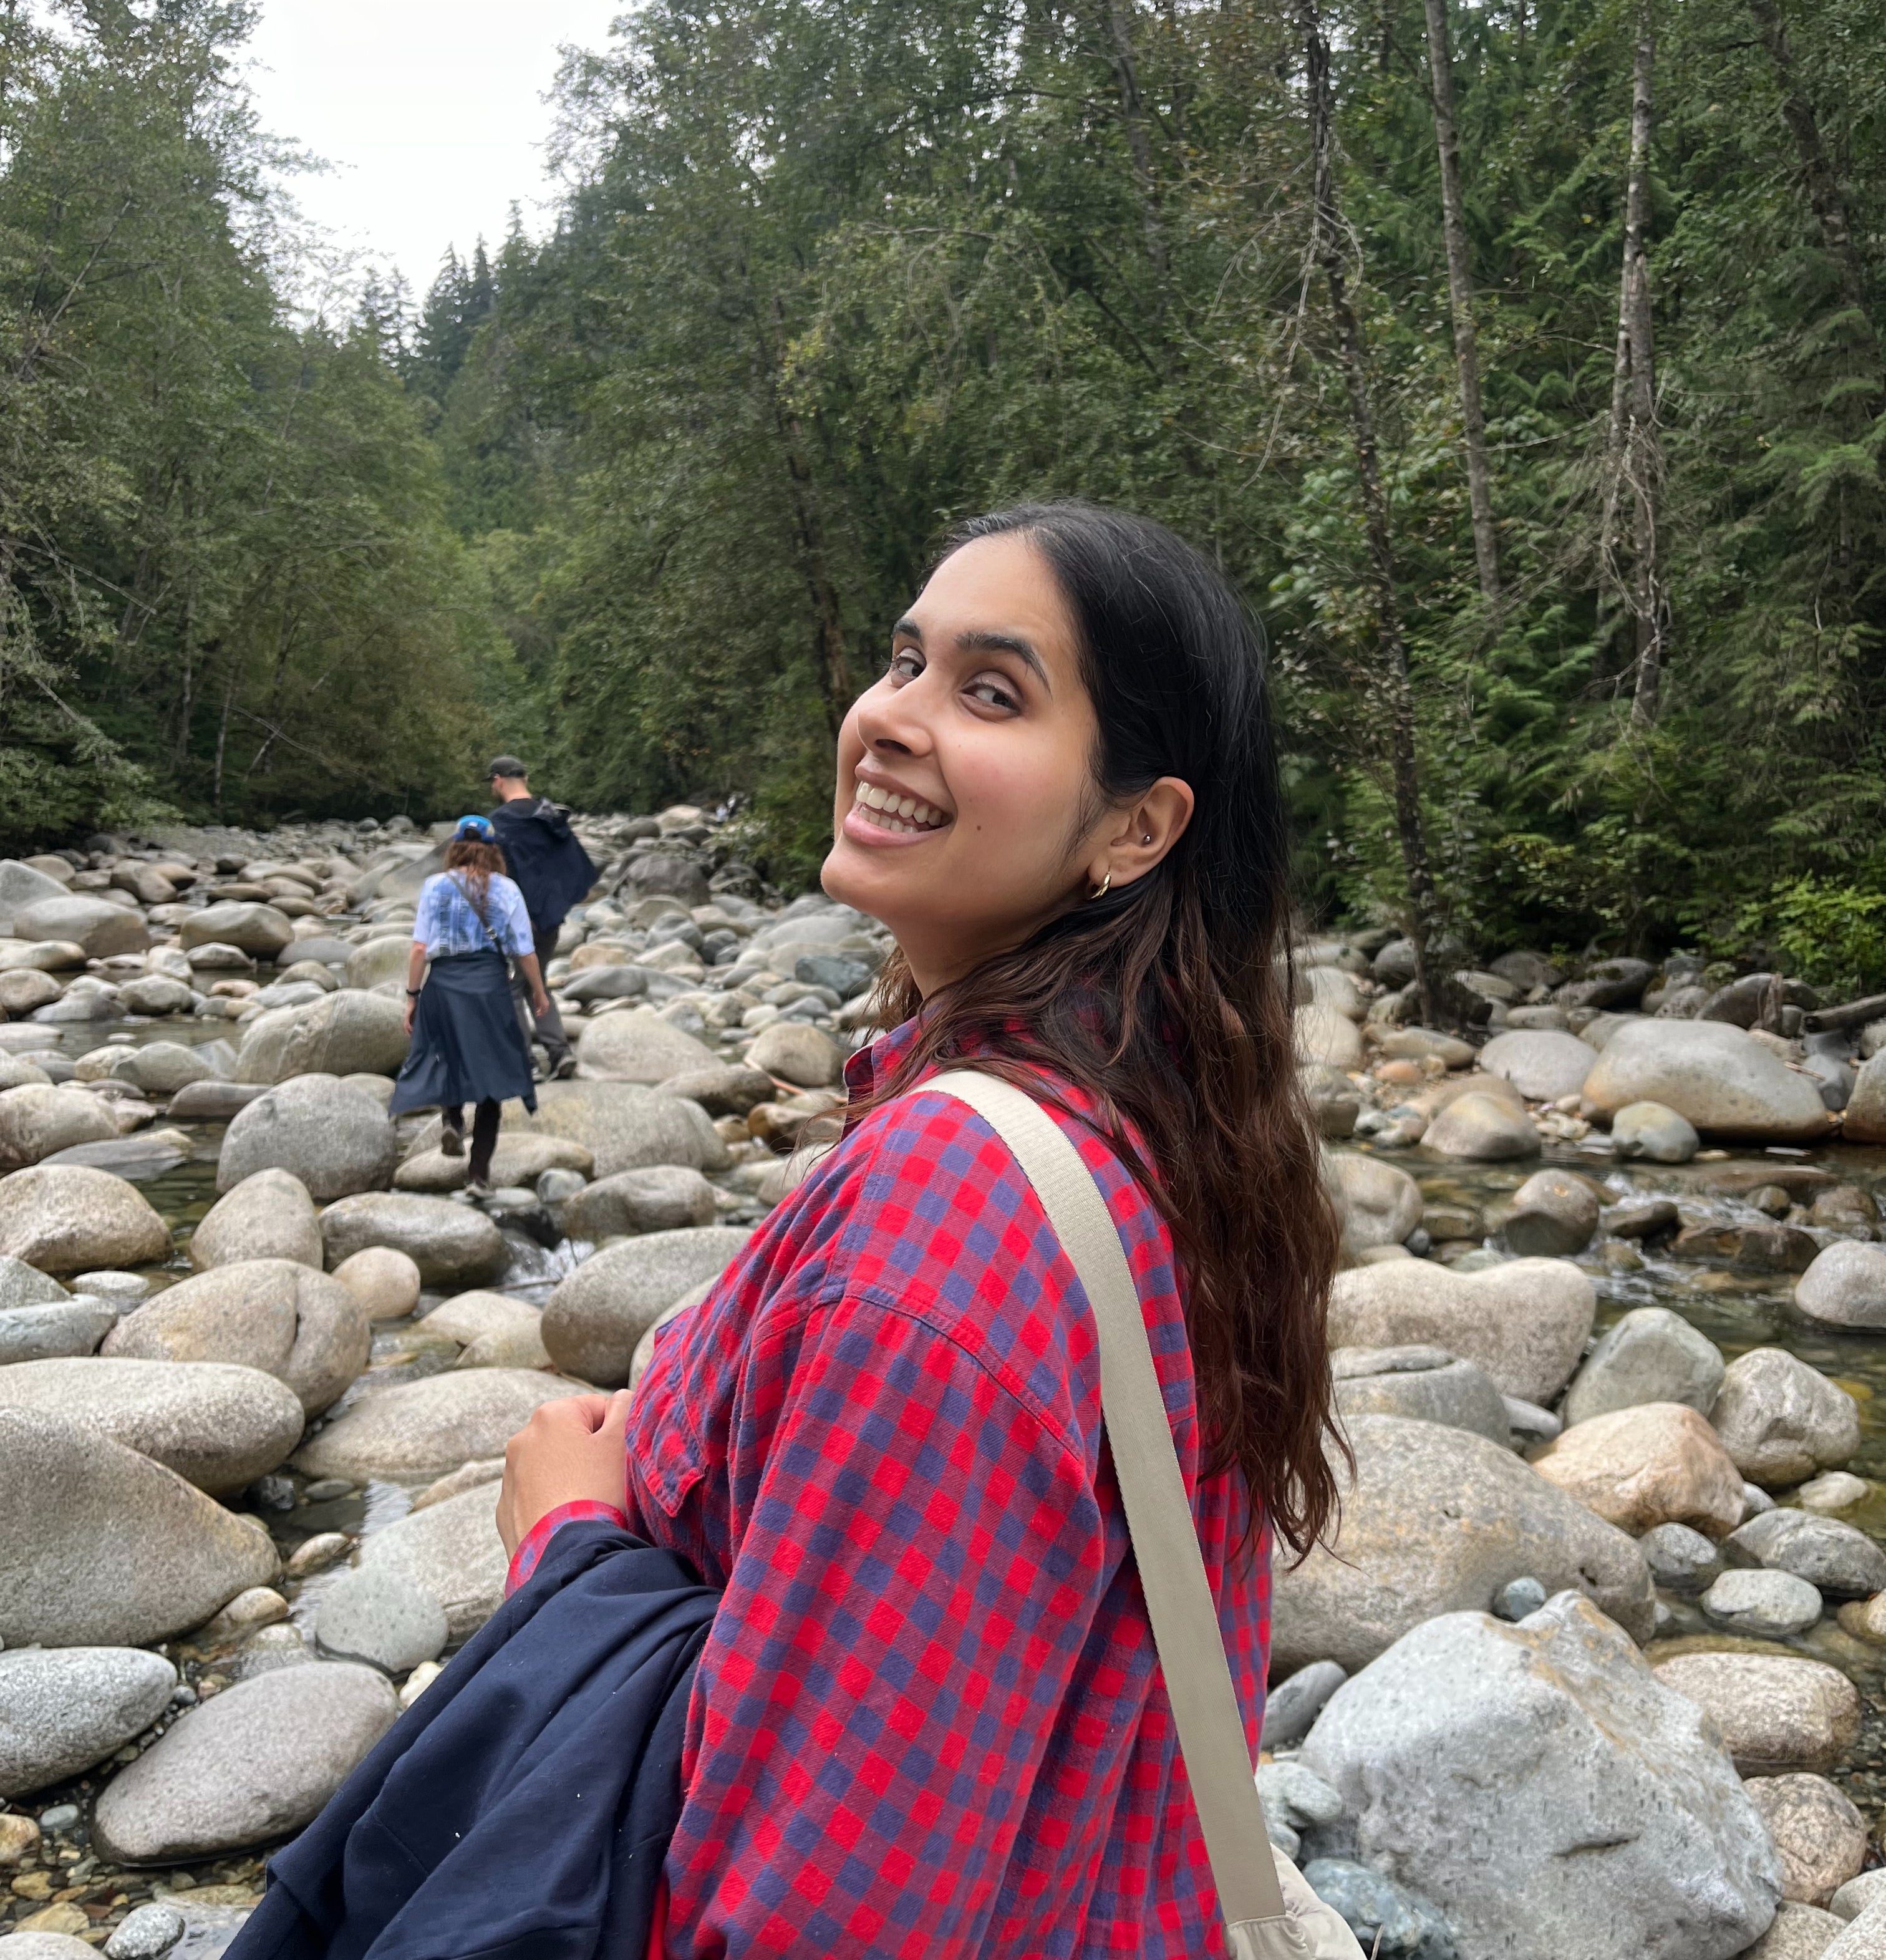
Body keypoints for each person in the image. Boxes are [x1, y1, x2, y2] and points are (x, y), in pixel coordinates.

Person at [495, 503, 1343, 1956]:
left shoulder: (951, 1222)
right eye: (905, 661)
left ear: (1136, 825)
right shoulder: (1158, 1124)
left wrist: (565, 1537)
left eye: (990, 689)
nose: (892, 717)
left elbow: (816, 1917)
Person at [392, 815, 552, 1198]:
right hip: (489, 987)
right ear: (492, 850)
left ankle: (451, 1117)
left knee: (447, 1056)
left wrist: (412, 997)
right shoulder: (507, 889)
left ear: (455, 848)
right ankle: (478, 1178)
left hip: (444, 985)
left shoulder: (434, 886)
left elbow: (418, 949)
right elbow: (524, 949)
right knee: (493, 1078)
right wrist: (539, 992)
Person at [487, 755, 596, 1079]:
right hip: (549, 921)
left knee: (511, 987)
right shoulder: (551, 818)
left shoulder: (502, 821)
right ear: (526, 777)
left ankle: (526, 1062)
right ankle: (560, 1053)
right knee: (537, 984)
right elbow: (579, 868)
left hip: (520, 918)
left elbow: (500, 874)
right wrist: (556, 907)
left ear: (497, 780)